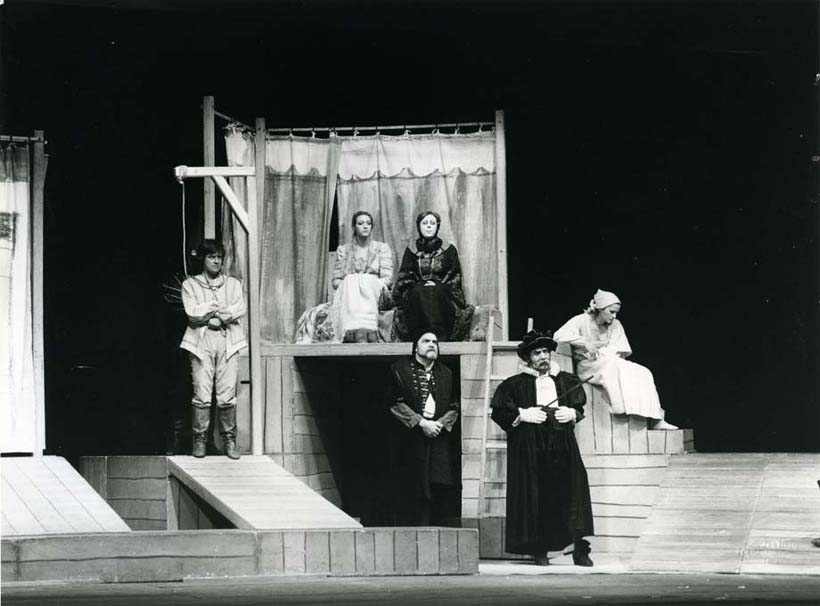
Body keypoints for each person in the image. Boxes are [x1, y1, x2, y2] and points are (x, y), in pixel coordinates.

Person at [491, 330, 594, 566]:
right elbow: (499, 412)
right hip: (531, 448)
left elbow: (579, 408)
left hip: (562, 445)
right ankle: (539, 549)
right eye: (537, 353)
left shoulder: (566, 380)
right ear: (528, 358)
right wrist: (522, 414)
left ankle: (579, 549)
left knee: (572, 492)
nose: (543, 356)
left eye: (546, 351)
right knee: (537, 494)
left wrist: (572, 413)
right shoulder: (513, 385)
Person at [554, 289, 677, 429]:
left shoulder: (616, 325)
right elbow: (558, 335)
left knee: (644, 371)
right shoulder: (581, 320)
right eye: (611, 312)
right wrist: (584, 342)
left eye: (616, 312)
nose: (614, 316)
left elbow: (618, 349)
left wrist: (601, 352)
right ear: (600, 309)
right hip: (587, 366)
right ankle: (620, 406)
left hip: (608, 361)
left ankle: (656, 419)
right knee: (612, 364)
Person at [180, 240, 247, 459]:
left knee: (227, 393)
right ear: (203, 259)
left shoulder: (233, 284)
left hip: (228, 339)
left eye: (219, 257)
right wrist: (215, 310)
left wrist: (215, 314)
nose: (216, 261)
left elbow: (238, 309)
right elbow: (193, 313)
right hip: (202, 341)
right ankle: (200, 441)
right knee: (202, 392)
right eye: (211, 257)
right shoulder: (191, 285)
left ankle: (230, 441)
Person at [388, 330, 460, 525]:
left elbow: (454, 406)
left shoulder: (446, 373)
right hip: (411, 436)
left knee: (438, 484)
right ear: (416, 347)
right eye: (426, 341)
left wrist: (439, 424)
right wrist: (421, 423)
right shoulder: (400, 369)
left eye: (434, 342)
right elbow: (395, 403)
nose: (431, 344)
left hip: (438, 434)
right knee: (412, 484)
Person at [392, 211, 474, 342]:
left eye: (432, 223)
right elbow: (405, 276)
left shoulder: (449, 250)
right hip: (416, 293)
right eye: (425, 223)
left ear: (437, 226)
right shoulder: (411, 251)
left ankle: (439, 335)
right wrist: (420, 285)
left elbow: (454, 276)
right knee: (418, 291)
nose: (429, 226)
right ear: (419, 226)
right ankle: (420, 336)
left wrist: (437, 284)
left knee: (436, 291)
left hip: (443, 292)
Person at [331, 211, 394, 343]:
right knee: (351, 280)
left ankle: (368, 332)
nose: (365, 226)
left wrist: (366, 281)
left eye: (368, 223)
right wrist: (353, 283)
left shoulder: (381, 249)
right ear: (354, 227)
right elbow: (336, 282)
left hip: (375, 293)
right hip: (349, 295)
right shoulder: (344, 250)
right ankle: (356, 333)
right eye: (360, 223)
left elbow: (388, 280)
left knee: (359, 280)